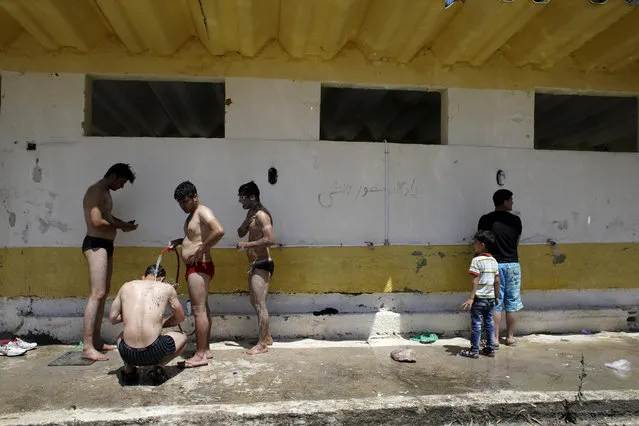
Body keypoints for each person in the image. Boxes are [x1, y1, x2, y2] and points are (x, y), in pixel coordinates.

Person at [81, 163, 138, 361]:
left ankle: (96, 342)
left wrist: (122, 225)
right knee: (96, 294)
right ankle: (87, 346)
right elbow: (96, 221)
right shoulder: (96, 191)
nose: (122, 186)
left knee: (103, 294)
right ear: (113, 176)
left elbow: (107, 217)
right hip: (95, 243)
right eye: (121, 181)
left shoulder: (105, 192)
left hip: (106, 244)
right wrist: (121, 225)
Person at [167, 181, 224, 368]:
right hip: (196, 267)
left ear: (195, 197)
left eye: (185, 201)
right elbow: (194, 237)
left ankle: (200, 355)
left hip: (200, 266)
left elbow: (219, 230)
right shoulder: (193, 214)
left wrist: (202, 249)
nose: (183, 206)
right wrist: (179, 241)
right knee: (203, 309)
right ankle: (205, 349)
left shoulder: (202, 211)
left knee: (198, 311)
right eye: (180, 203)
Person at [109, 264, 187, 384]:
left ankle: (129, 369)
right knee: (183, 337)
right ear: (162, 279)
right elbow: (180, 318)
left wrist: (130, 316)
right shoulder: (166, 287)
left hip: (128, 353)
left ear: (143, 277)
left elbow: (113, 318)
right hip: (154, 350)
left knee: (120, 336)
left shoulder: (126, 286)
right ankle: (158, 367)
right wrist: (160, 323)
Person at [478, 189, 523, 347]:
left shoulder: (485, 220)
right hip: (512, 265)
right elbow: (517, 242)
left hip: (492, 264)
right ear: (505, 201)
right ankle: (510, 338)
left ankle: (495, 339)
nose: (512, 203)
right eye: (510, 200)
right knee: (512, 302)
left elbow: (482, 243)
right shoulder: (516, 220)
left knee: (495, 302)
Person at [236, 181, 276, 355]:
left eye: (242, 197)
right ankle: (266, 337)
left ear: (252, 197)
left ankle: (262, 344)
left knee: (260, 304)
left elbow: (270, 239)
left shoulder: (262, 215)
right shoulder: (251, 214)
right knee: (254, 302)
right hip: (255, 264)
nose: (240, 201)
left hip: (263, 263)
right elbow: (239, 232)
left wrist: (247, 244)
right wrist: (245, 224)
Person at [460, 231, 501, 359]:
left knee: (476, 324)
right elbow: (497, 280)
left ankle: (474, 350)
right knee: (489, 322)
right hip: (490, 299)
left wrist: (471, 298)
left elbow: (476, 280)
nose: (474, 245)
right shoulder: (494, 260)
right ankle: (490, 349)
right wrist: (497, 296)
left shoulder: (477, 260)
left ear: (482, 245)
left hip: (479, 298)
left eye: (475, 242)